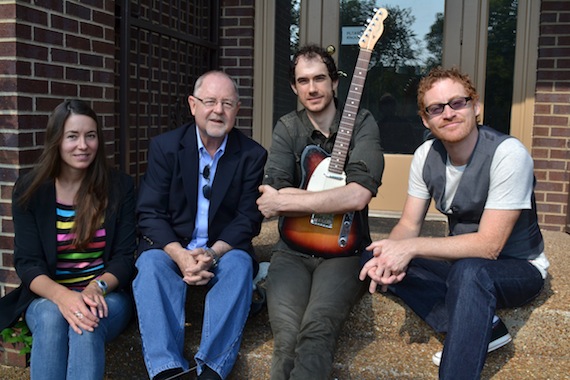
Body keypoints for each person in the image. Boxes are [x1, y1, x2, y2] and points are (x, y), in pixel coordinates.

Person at [360, 67, 549, 379]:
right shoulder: (425, 156)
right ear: (425, 120)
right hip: (461, 265)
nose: (448, 113)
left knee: (471, 271)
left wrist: (410, 248)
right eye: (436, 108)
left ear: (476, 107)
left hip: (517, 268)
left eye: (457, 103)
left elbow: (489, 247)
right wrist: (391, 253)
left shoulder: (508, 154)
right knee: (373, 253)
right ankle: (482, 327)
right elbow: (407, 225)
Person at [257, 44, 384, 379]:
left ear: (335, 82)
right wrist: (329, 199)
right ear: (294, 87)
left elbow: (358, 196)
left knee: (316, 331)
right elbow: (270, 192)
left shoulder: (362, 122)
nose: (312, 88)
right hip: (291, 251)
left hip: (344, 250)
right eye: (303, 81)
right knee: (286, 337)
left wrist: (287, 202)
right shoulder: (287, 127)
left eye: (319, 79)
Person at [132, 70, 267, 380]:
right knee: (150, 264)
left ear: (237, 110)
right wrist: (180, 255)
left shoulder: (251, 155)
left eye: (227, 104)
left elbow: (248, 218)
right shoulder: (165, 148)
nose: (218, 110)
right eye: (210, 101)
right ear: (193, 105)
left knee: (240, 266)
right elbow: (150, 212)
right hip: (172, 246)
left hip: (222, 249)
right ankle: (167, 370)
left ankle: (211, 370)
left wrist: (213, 253)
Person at [0, 100, 137, 380]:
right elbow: (28, 264)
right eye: (72, 136)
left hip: (106, 295)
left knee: (87, 321)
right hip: (48, 296)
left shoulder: (119, 187)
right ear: (57, 141)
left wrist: (94, 289)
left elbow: (124, 259)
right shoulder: (31, 190)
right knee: (52, 318)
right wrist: (65, 297)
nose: (83, 145)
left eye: (90, 135)